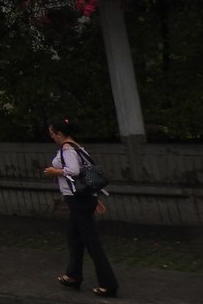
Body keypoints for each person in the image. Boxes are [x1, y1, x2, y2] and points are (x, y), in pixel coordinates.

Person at [44, 117, 119, 298]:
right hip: (82, 199)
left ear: (60, 134)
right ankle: (73, 275)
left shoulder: (68, 149)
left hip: (78, 201)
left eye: (52, 134)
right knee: (74, 236)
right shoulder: (79, 148)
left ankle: (108, 284)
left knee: (91, 242)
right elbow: (87, 176)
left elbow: (75, 171)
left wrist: (55, 171)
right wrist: (93, 197)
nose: (52, 137)